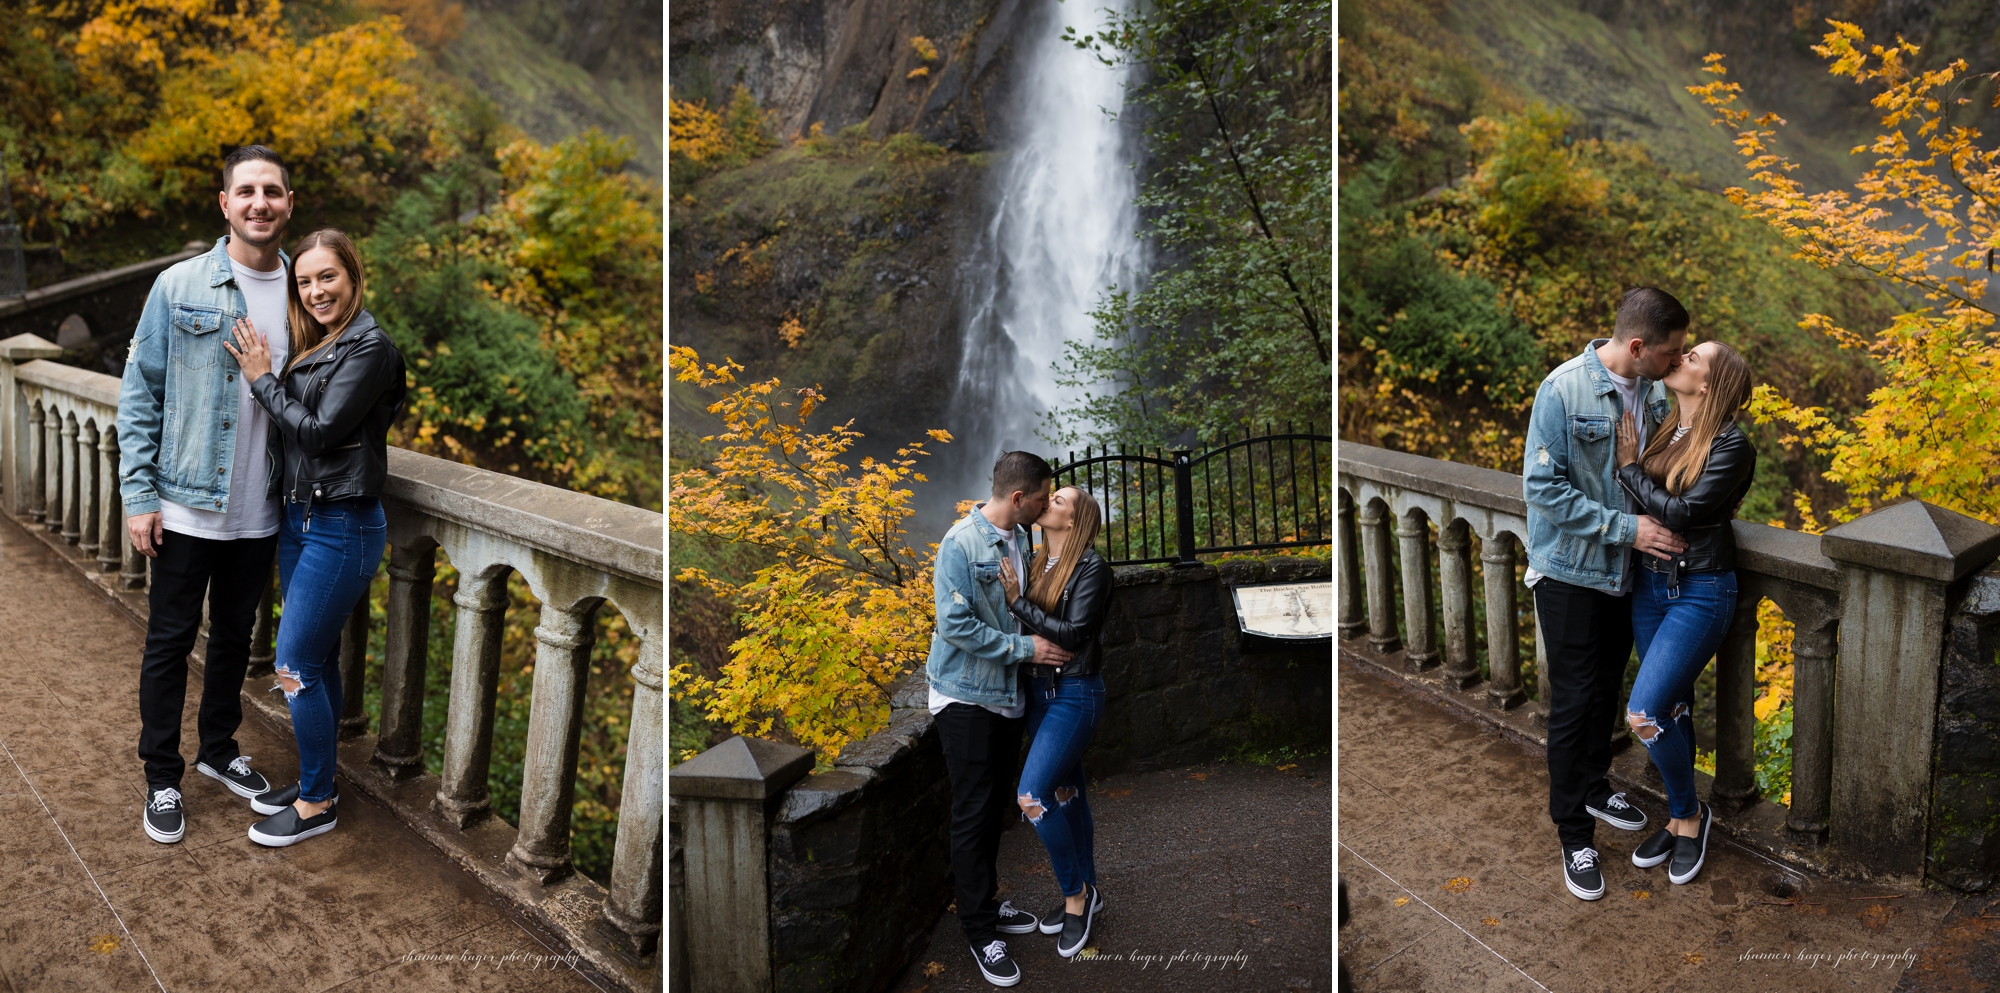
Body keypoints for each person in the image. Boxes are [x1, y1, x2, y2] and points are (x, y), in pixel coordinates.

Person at [119, 145, 296, 844]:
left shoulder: (302, 291)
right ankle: (162, 776)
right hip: (186, 503)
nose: (260, 202)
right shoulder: (179, 285)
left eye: (272, 192)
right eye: (246, 191)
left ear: (289, 204)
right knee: (168, 642)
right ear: (225, 204)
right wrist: (139, 494)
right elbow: (140, 396)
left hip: (263, 507)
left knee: (233, 639)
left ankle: (219, 751)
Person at [224, 227, 406, 846]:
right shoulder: (321, 343)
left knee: (294, 663)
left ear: (352, 275)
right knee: (317, 659)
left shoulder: (370, 347)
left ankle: (318, 804)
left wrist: (261, 378)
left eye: (326, 277)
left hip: (343, 524)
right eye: (304, 281)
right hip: (301, 522)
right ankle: (314, 781)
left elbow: (322, 432)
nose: (315, 290)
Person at [1521, 286, 1691, 901]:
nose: (1677, 363)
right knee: (1572, 705)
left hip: (1626, 576)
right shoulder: (1563, 390)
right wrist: (1629, 528)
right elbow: (1543, 490)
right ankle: (1574, 835)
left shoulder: (1649, 391)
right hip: (1572, 575)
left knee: (1603, 694)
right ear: (1638, 345)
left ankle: (1595, 782)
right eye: (1670, 353)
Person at [927, 452, 1075, 987]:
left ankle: (987, 905)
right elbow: (955, 626)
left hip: (1006, 696)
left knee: (993, 813)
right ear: (1019, 498)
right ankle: (978, 931)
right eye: (1042, 497)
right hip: (966, 698)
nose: (1045, 505)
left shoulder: (1019, 537)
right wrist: (1024, 650)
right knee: (972, 814)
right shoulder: (960, 543)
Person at [1615, 341, 1755, 886]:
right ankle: (1678, 820)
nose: (1681, 358)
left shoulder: (1731, 444)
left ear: (1711, 383)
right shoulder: (1667, 428)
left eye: (1693, 357)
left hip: (1700, 590)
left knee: (1643, 713)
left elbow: (1684, 513)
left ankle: (1692, 817)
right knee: (1671, 707)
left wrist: (1630, 468)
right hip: (1650, 587)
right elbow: (1659, 513)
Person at [998, 485, 1110, 959]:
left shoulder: (1093, 568)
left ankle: (1075, 898)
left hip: (1075, 693)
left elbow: (1074, 633)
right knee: (1067, 793)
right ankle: (1090, 887)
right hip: (1039, 693)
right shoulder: (1036, 558)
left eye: (1059, 501)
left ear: (1076, 520)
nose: (1049, 504)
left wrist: (1017, 601)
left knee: (1031, 796)